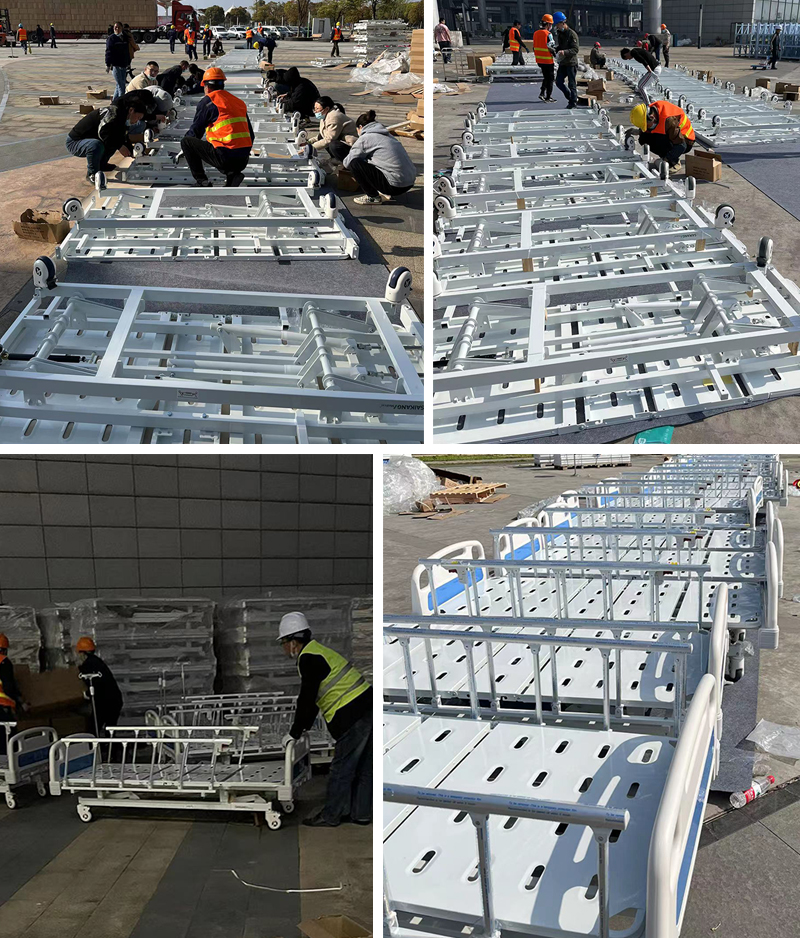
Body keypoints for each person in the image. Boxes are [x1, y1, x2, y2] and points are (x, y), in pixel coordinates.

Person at [279, 613, 372, 827]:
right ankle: (361, 813)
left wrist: (294, 732)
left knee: (342, 768)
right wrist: (304, 727)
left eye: (283, 643)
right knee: (364, 766)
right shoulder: (320, 651)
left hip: (351, 714)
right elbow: (313, 699)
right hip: (367, 706)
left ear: (293, 642)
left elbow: (307, 699)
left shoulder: (308, 658)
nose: (283, 648)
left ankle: (331, 815)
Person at [180, 66, 253, 187]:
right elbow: (251, 135)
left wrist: (185, 150)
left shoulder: (208, 101)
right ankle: (232, 175)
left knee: (187, 142)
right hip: (243, 160)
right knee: (226, 146)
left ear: (206, 87)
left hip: (224, 158)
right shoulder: (238, 101)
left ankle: (201, 180)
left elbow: (195, 131)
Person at [329, 109, 417, 205]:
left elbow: (348, 162)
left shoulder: (366, 138)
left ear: (360, 127)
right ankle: (378, 187)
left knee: (354, 163)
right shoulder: (388, 135)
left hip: (394, 186)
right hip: (408, 182)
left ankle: (373, 196)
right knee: (363, 160)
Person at [65, 92, 145, 185]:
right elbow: (103, 133)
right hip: (75, 142)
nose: (137, 121)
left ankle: (102, 164)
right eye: (137, 117)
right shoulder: (113, 114)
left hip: (91, 139)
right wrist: (120, 146)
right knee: (97, 145)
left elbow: (123, 138)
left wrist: (133, 153)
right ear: (131, 110)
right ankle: (92, 173)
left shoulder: (124, 119)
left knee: (113, 141)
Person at [76, 637, 123, 736]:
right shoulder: (97, 662)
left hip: (106, 702)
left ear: (82, 653)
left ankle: (96, 745)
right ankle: (110, 745)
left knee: (93, 730)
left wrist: (86, 694)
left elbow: (96, 684)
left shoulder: (88, 665)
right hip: (114, 700)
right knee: (109, 730)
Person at [628, 100, 694, 169]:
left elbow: (681, 145)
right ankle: (667, 158)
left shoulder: (669, 120)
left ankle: (673, 163)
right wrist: (639, 131)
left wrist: (666, 160)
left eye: (646, 126)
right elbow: (651, 127)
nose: (646, 128)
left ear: (651, 118)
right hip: (674, 135)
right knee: (643, 138)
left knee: (660, 141)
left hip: (686, 141)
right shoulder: (651, 111)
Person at [309, 96, 357, 161]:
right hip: (339, 138)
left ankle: (344, 161)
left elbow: (329, 139)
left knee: (333, 145)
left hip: (350, 143)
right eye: (314, 108)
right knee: (322, 138)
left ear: (326, 109)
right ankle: (334, 158)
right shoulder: (325, 115)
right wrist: (308, 142)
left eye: (317, 109)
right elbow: (321, 135)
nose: (315, 111)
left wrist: (311, 148)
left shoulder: (334, 117)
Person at [554, 11, 579, 109]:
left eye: (558, 25)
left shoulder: (572, 34)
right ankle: (570, 97)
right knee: (558, 82)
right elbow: (561, 46)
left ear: (562, 23)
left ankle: (573, 102)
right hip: (563, 62)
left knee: (572, 84)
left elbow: (575, 49)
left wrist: (565, 52)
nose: (557, 27)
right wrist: (555, 49)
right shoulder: (560, 34)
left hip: (571, 63)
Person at [106, 23, 132, 101]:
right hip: (115, 65)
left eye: (119, 27)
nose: (117, 29)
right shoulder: (111, 38)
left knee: (119, 84)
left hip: (123, 64)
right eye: (115, 27)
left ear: (121, 28)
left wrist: (128, 63)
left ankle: (115, 102)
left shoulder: (124, 38)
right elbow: (108, 52)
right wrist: (108, 64)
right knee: (121, 86)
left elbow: (127, 52)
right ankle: (121, 102)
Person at [533, 15, 555, 102]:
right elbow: (552, 47)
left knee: (546, 77)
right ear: (548, 24)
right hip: (548, 60)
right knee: (550, 79)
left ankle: (542, 93)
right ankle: (548, 96)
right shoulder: (548, 34)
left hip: (539, 60)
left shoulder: (536, 33)